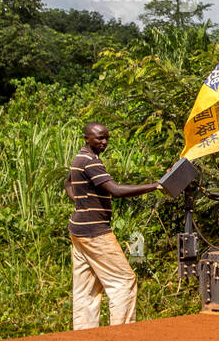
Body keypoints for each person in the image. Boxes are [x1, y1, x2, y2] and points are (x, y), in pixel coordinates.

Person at [67, 123, 161, 330]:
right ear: (86, 138)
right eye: (99, 138)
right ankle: (122, 335)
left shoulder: (79, 158)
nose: (104, 142)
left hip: (78, 229)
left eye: (106, 138)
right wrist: (155, 186)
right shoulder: (90, 162)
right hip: (95, 232)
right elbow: (115, 190)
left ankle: (84, 336)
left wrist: (81, 204)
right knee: (124, 281)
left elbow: (68, 183)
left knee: (87, 287)